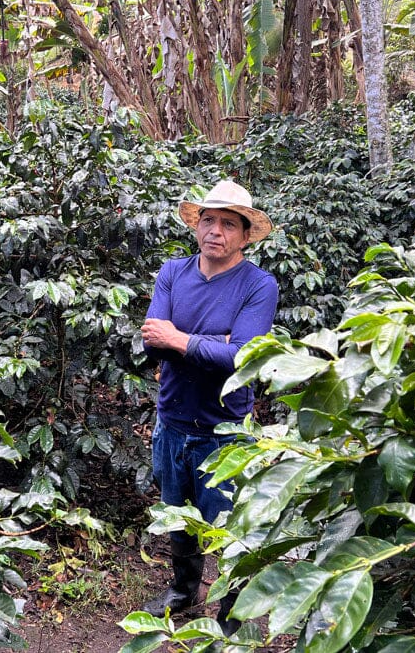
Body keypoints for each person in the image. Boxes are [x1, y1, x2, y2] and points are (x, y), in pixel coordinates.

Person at [139, 180, 279, 635]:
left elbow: (243, 357)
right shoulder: (173, 272)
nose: (215, 230)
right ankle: (184, 592)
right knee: (177, 514)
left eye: (227, 223)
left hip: (225, 431)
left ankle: (232, 613)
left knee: (227, 525)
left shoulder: (258, 285)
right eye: (208, 220)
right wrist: (210, 344)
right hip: (172, 420)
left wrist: (180, 339)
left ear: (244, 234)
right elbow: (152, 344)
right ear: (196, 226)